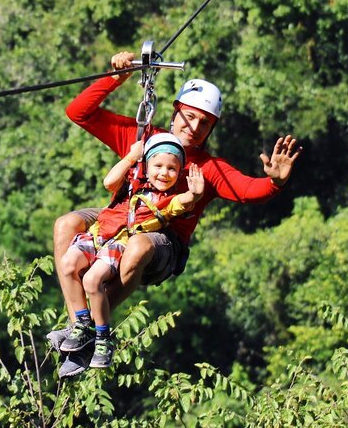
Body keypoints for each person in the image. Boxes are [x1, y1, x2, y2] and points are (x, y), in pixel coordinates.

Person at [51, 51, 302, 377]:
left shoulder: (209, 168)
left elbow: (248, 191)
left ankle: (96, 332)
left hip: (161, 239)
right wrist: (117, 77)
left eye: (204, 123)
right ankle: (79, 327)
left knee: (139, 245)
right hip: (120, 216)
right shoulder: (143, 137)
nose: (194, 127)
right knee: (65, 224)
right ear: (176, 110)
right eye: (190, 116)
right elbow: (79, 112)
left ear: (211, 128)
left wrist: (275, 181)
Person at [57, 133, 204, 369]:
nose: (164, 173)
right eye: (158, 166)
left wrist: (195, 195)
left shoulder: (167, 201)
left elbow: (184, 202)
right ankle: (81, 324)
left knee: (93, 281)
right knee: (67, 265)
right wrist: (131, 158)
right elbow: (108, 182)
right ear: (146, 165)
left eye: (172, 169)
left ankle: (103, 338)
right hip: (97, 235)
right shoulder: (130, 183)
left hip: (119, 243)